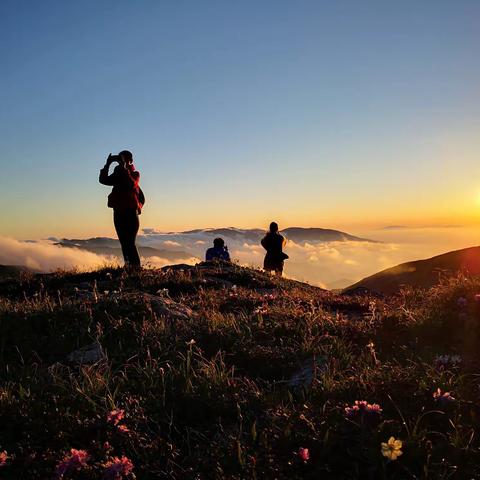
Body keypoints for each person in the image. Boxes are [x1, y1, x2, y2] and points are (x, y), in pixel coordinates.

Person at [99, 150, 144, 268]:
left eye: (124, 159)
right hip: (118, 212)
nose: (121, 161)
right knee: (123, 243)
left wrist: (124, 168)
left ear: (130, 161)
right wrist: (107, 164)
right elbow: (103, 180)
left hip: (130, 212)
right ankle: (128, 267)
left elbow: (131, 184)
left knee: (130, 243)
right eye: (120, 159)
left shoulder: (135, 174)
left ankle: (136, 269)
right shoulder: (117, 174)